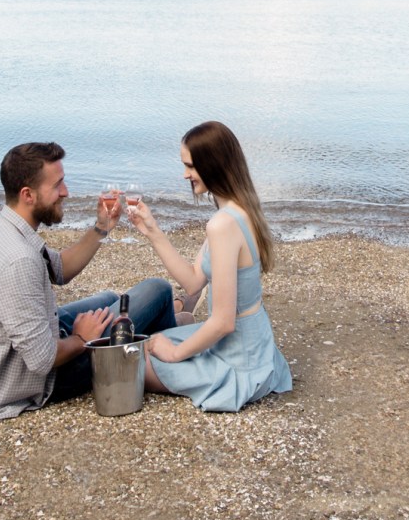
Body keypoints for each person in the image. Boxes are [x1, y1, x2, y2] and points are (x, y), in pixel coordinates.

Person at [0, 141, 175, 420]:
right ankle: (170, 360)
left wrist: (102, 228)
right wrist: (82, 338)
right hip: (38, 382)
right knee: (158, 289)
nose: (66, 192)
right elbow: (43, 361)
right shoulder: (17, 260)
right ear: (28, 195)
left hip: (30, 343)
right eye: (57, 185)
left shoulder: (0, 228)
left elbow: (59, 269)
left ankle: (159, 332)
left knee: (109, 299)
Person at [123, 121, 293, 412]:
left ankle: (186, 347)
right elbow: (193, 282)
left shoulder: (223, 224)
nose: (185, 174)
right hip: (251, 345)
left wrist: (176, 354)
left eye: (190, 166)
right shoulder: (238, 209)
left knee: (130, 363)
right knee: (148, 343)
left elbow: (224, 322)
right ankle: (181, 329)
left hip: (238, 359)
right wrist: (152, 231)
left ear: (212, 164)